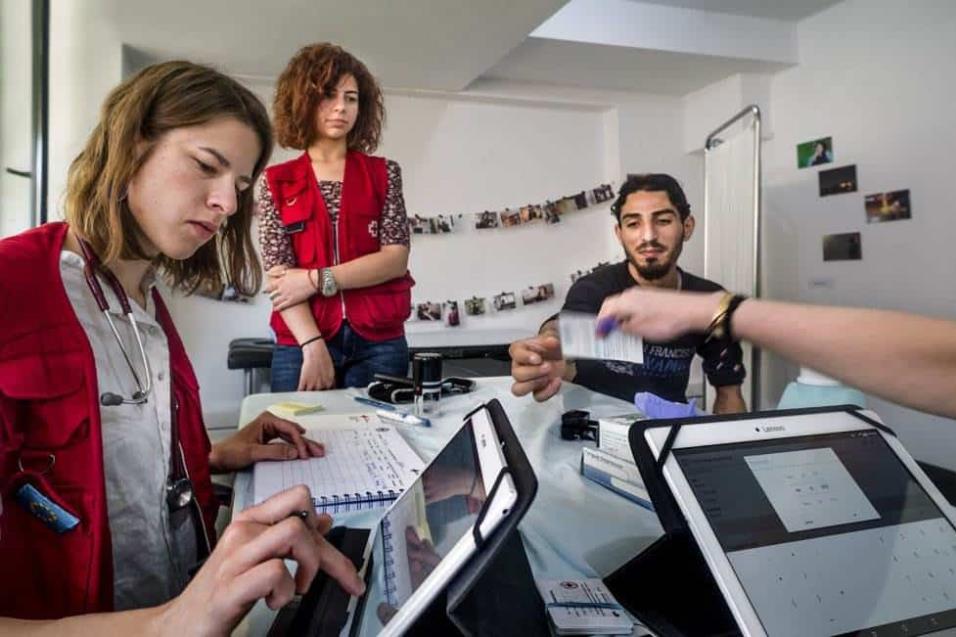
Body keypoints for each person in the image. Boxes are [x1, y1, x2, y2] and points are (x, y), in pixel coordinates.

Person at [0, 61, 363, 633]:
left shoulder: (145, 300)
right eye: (205, 166)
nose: (227, 203)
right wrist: (163, 625)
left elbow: (104, 471)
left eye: (240, 186)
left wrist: (212, 457)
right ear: (131, 146)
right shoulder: (11, 285)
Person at [509, 174, 747, 414]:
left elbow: (729, 393)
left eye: (663, 221)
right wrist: (545, 348)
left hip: (667, 434)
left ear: (687, 226)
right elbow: (562, 333)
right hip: (592, 433)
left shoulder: (709, 300)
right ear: (619, 233)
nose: (648, 236)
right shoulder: (594, 289)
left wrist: (730, 449)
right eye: (633, 224)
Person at [258, 43, 413, 392]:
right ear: (303, 101)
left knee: (380, 437)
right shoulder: (275, 182)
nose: (341, 107)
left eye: (352, 97)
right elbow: (281, 279)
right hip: (301, 340)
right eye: (329, 95)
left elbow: (394, 260)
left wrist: (315, 279)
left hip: (380, 341)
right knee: (298, 439)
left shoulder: (385, 174)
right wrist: (312, 346)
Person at [597, 288, 956, 420]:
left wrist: (711, 311)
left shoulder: (704, 293)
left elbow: (941, 364)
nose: (647, 236)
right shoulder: (599, 286)